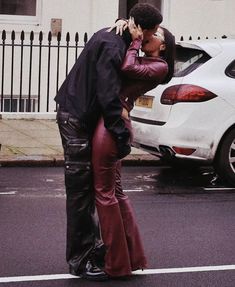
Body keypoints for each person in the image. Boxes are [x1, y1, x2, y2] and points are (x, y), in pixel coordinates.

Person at [54, 3, 163, 281]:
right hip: (76, 119)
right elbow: (108, 94)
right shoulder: (114, 45)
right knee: (80, 193)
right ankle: (80, 261)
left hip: (79, 114)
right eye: (153, 33)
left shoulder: (112, 34)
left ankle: (93, 250)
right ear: (144, 29)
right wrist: (120, 133)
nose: (155, 38)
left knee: (90, 189)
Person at [91, 20, 175, 279]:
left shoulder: (160, 66)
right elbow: (125, 55)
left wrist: (136, 40)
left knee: (104, 193)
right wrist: (124, 24)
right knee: (115, 191)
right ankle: (130, 257)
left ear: (162, 46)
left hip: (113, 124)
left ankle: (116, 264)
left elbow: (126, 66)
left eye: (155, 33)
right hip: (116, 121)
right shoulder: (143, 57)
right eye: (149, 30)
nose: (149, 34)